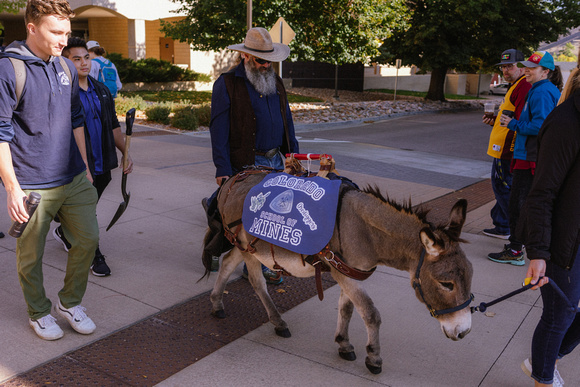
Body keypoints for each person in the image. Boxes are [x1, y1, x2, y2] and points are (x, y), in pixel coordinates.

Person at [0, 0, 99, 340]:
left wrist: (84, 165)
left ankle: (69, 302)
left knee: (88, 240)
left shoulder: (66, 67)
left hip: (72, 176)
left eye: (67, 32)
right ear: (31, 27)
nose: (63, 40)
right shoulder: (8, 69)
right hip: (32, 184)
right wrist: (12, 188)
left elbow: (75, 120)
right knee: (31, 255)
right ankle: (38, 311)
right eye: (56, 32)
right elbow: (0, 132)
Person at [204, 27, 299, 284]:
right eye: (260, 60)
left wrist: (294, 156)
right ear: (246, 56)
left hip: (275, 160)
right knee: (253, 219)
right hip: (246, 162)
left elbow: (286, 121)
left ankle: (215, 210)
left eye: (269, 60)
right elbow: (219, 129)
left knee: (273, 216)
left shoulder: (276, 82)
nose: (266, 65)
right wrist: (222, 168)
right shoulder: (227, 84)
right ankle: (251, 262)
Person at [517, 58, 580, 387]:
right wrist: (538, 253)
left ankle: (547, 358)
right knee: (559, 315)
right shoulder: (567, 121)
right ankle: (543, 375)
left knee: (568, 314)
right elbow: (541, 194)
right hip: (563, 244)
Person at [57, 36, 133, 277]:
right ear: (65, 62)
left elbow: (113, 126)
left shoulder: (100, 90)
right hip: (76, 165)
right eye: (76, 59)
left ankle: (65, 228)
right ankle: (94, 253)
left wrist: (126, 153)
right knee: (87, 210)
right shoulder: (61, 92)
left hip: (102, 163)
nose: (83, 63)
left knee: (85, 206)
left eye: (86, 58)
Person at [487, 51, 561, 266]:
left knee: (519, 205)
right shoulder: (539, 89)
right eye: (526, 66)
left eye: (532, 68)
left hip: (530, 156)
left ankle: (516, 250)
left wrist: (513, 124)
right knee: (521, 203)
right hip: (527, 155)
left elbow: (541, 126)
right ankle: (519, 247)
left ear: (545, 71)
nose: (527, 70)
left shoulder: (541, 92)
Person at [482, 49, 531, 240]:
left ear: (521, 66)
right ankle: (503, 225)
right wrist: (495, 121)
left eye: (510, 66)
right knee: (503, 186)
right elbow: (509, 118)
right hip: (502, 147)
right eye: (503, 67)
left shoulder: (523, 87)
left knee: (502, 187)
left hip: (506, 150)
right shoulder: (515, 86)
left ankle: (514, 230)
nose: (505, 70)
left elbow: (520, 121)